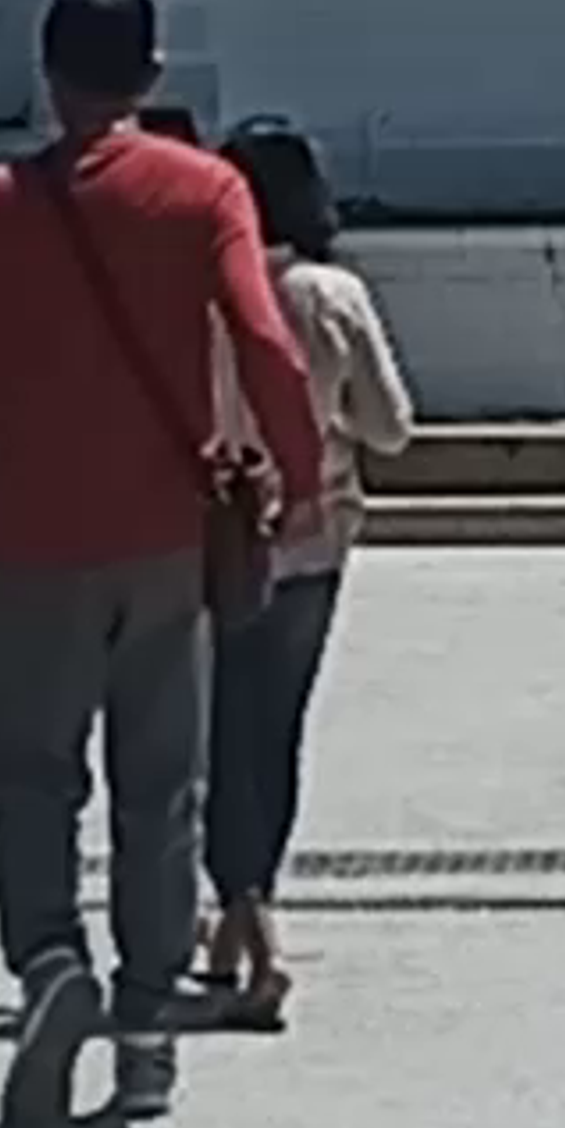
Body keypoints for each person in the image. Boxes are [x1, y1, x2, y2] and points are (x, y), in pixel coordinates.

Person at [0, 0, 323, 1128]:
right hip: (164, 545)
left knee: (29, 779)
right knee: (161, 790)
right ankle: (145, 1037)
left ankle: (50, 962)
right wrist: (296, 476)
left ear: (47, 74)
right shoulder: (204, 190)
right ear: (151, 74)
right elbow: (264, 337)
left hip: (35, 541)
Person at [198, 122, 416, 1026]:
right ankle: (248, 917)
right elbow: (391, 426)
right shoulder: (332, 293)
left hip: (212, 535)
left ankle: (247, 927)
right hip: (314, 534)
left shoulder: (197, 290)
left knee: (216, 737)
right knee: (273, 731)